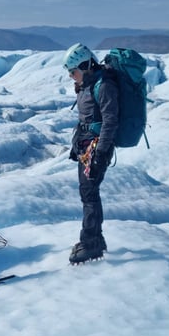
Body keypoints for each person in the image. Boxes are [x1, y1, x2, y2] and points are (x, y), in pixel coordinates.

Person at [63, 43, 119, 264]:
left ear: (85, 65)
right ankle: (95, 238)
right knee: (88, 193)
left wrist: (101, 153)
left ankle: (91, 243)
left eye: (73, 71)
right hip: (87, 147)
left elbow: (110, 121)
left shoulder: (104, 86)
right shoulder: (89, 83)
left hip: (96, 149)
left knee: (89, 195)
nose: (70, 76)